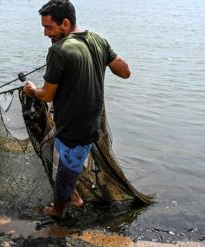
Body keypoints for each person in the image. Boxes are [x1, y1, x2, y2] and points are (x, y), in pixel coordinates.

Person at [23, 0, 131, 217]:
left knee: (63, 176)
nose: (45, 33)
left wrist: (32, 89)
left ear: (65, 23)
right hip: (90, 124)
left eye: (48, 27)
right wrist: (101, 59)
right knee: (54, 154)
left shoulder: (58, 50)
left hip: (75, 130)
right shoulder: (97, 40)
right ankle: (71, 194)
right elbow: (125, 71)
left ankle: (60, 209)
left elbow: (47, 95)